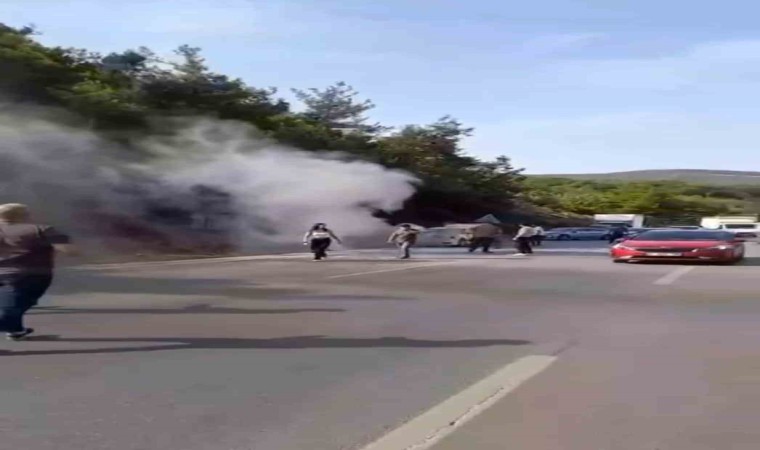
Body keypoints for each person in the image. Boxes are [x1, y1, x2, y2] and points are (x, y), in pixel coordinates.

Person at [0, 203, 73, 340]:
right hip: (30, 275)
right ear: (25, 215)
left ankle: (16, 330)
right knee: (13, 307)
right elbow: (69, 250)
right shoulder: (42, 229)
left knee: (11, 304)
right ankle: (12, 326)